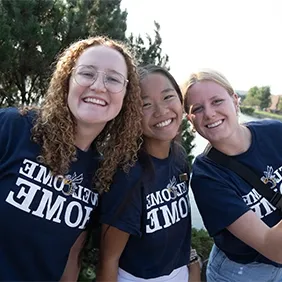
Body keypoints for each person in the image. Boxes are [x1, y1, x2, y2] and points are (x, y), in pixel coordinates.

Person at [0, 36, 143, 282]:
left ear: (126, 96)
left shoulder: (102, 172)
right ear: (67, 80)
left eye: (113, 79)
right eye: (87, 73)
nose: (99, 86)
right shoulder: (13, 128)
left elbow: (72, 254)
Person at [97, 65, 201, 282]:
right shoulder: (128, 176)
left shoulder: (179, 157)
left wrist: (192, 266)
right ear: (131, 115)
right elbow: (109, 259)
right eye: (145, 104)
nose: (161, 111)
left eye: (168, 97)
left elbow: (176, 225)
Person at [183, 69, 282, 281]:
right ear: (190, 120)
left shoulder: (275, 132)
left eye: (217, 101)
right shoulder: (206, 176)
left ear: (235, 101)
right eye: (198, 108)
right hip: (244, 272)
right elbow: (273, 247)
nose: (209, 113)